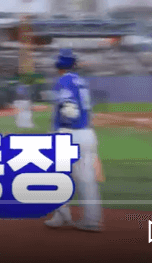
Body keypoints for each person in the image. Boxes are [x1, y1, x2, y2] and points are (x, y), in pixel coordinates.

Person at [44, 49, 103, 232]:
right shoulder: (81, 81)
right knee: (87, 180)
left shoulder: (64, 81)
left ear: (59, 65)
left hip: (70, 135)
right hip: (87, 133)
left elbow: (69, 109)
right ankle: (91, 220)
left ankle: (62, 215)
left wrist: (63, 129)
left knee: (56, 176)